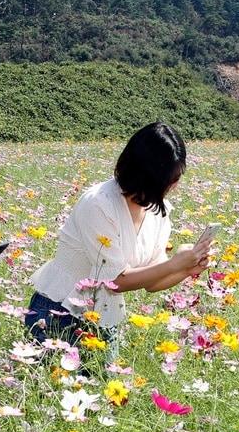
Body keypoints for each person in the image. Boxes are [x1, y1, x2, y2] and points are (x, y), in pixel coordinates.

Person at [26, 122, 210, 350]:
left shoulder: (157, 210)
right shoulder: (99, 203)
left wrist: (187, 268)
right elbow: (114, 282)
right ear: (147, 175)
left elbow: (152, 281)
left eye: (178, 176)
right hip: (58, 313)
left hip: (103, 319)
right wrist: (175, 264)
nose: (175, 184)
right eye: (170, 178)